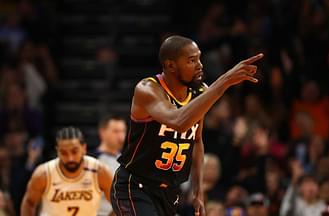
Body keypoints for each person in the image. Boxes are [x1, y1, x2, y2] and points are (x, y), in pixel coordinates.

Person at [110, 35, 264, 216]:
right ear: (171, 65)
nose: (200, 65)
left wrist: (198, 191)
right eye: (191, 60)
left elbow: (197, 142)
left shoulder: (199, 92)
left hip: (170, 191)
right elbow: (179, 122)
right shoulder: (148, 89)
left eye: (199, 58)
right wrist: (225, 80)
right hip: (135, 186)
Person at [20, 127, 113, 216]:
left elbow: (119, 203)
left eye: (74, 151)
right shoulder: (44, 174)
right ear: (57, 151)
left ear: (84, 148)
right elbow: (29, 202)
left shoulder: (100, 172)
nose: (70, 158)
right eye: (64, 153)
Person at [89, 114, 127, 216]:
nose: (121, 136)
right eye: (115, 131)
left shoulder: (127, 160)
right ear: (102, 132)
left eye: (123, 131)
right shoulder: (91, 161)